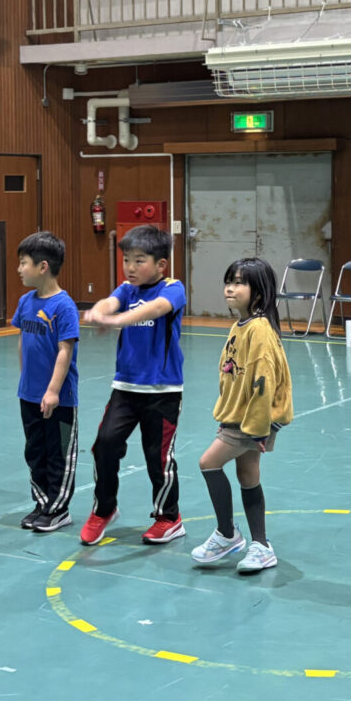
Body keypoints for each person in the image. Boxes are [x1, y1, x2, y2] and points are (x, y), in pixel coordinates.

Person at [81, 225, 187, 545]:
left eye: (139, 260)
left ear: (160, 264)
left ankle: (169, 518)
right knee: (104, 445)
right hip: (125, 389)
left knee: (158, 458)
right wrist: (99, 312)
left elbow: (155, 309)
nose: (130, 267)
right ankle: (104, 509)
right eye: (126, 259)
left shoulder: (173, 289)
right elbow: (108, 302)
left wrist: (115, 321)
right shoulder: (126, 290)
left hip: (162, 391)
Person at [191, 258, 292, 573]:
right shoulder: (241, 326)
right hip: (241, 416)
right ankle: (261, 546)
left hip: (253, 420)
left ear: (258, 293)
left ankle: (226, 534)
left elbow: (264, 380)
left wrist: (259, 428)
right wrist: (227, 411)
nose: (229, 289)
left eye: (238, 283)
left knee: (208, 463)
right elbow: (232, 376)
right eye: (228, 281)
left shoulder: (259, 330)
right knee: (248, 475)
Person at [12, 232, 80, 533]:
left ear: (43, 267)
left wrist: (52, 391)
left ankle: (58, 509)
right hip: (28, 394)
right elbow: (22, 341)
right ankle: (41, 503)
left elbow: (65, 350)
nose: (19, 269)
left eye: (23, 263)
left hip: (59, 398)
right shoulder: (25, 302)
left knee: (59, 453)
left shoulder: (64, 306)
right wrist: (25, 379)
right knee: (35, 450)